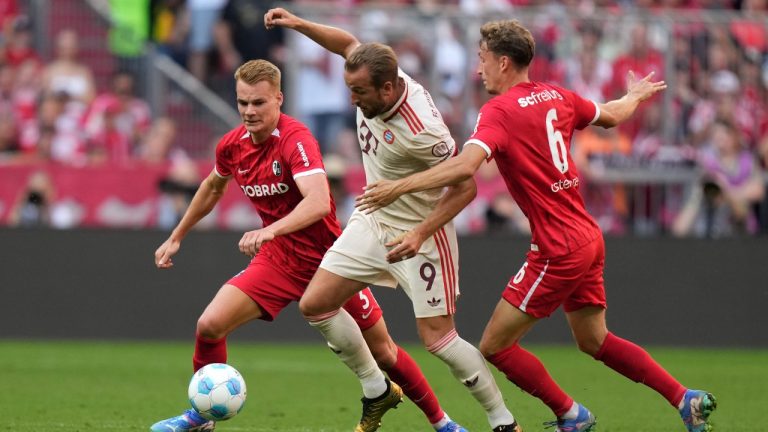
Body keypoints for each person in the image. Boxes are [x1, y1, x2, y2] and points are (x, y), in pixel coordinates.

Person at [356, 19, 717, 432]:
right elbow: (612, 116)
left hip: (558, 246)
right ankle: (683, 398)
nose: (479, 69)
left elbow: (467, 166)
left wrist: (398, 187)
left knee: (494, 345)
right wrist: (634, 95)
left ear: (504, 62)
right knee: (593, 340)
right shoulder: (557, 95)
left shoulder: (499, 112)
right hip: (588, 236)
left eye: (483, 59)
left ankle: (571, 414)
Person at [149, 59, 462, 432]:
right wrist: (177, 235)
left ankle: (442, 423)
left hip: (331, 261)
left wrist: (270, 231)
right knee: (210, 324)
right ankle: (202, 418)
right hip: (279, 262)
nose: (249, 111)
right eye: (243, 102)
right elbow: (213, 186)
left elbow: (317, 202)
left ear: (279, 99)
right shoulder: (232, 146)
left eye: (259, 103)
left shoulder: (296, 139)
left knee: (384, 352)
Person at [266, 9, 520, 432]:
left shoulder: (425, 132)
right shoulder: (375, 72)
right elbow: (346, 43)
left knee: (439, 339)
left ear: (388, 88)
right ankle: (376, 389)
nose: (352, 100)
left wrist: (419, 230)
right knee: (315, 304)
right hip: (372, 221)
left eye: (359, 91)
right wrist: (299, 24)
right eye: (349, 88)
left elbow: (465, 186)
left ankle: (503, 421)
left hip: (421, 234)